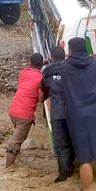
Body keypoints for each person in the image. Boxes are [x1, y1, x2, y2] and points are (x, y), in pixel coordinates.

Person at [56, 38, 96, 191]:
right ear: (86, 49)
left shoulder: (64, 67)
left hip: (78, 116)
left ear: (69, 51)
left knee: (85, 159)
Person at [41, 46, 75, 182]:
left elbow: (43, 90)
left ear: (52, 58)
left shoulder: (48, 71)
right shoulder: (72, 68)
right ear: (66, 55)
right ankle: (75, 165)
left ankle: (64, 173)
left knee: (61, 144)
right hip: (74, 112)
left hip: (58, 113)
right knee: (74, 139)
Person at [6, 53, 45, 167]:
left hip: (13, 111)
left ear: (30, 63)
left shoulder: (24, 73)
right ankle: (8, 170)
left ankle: (16, 162)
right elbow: (41, 99)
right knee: (14, 145)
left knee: (17, 139)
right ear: (41, 64)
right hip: (25, 115)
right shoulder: (41, 78)